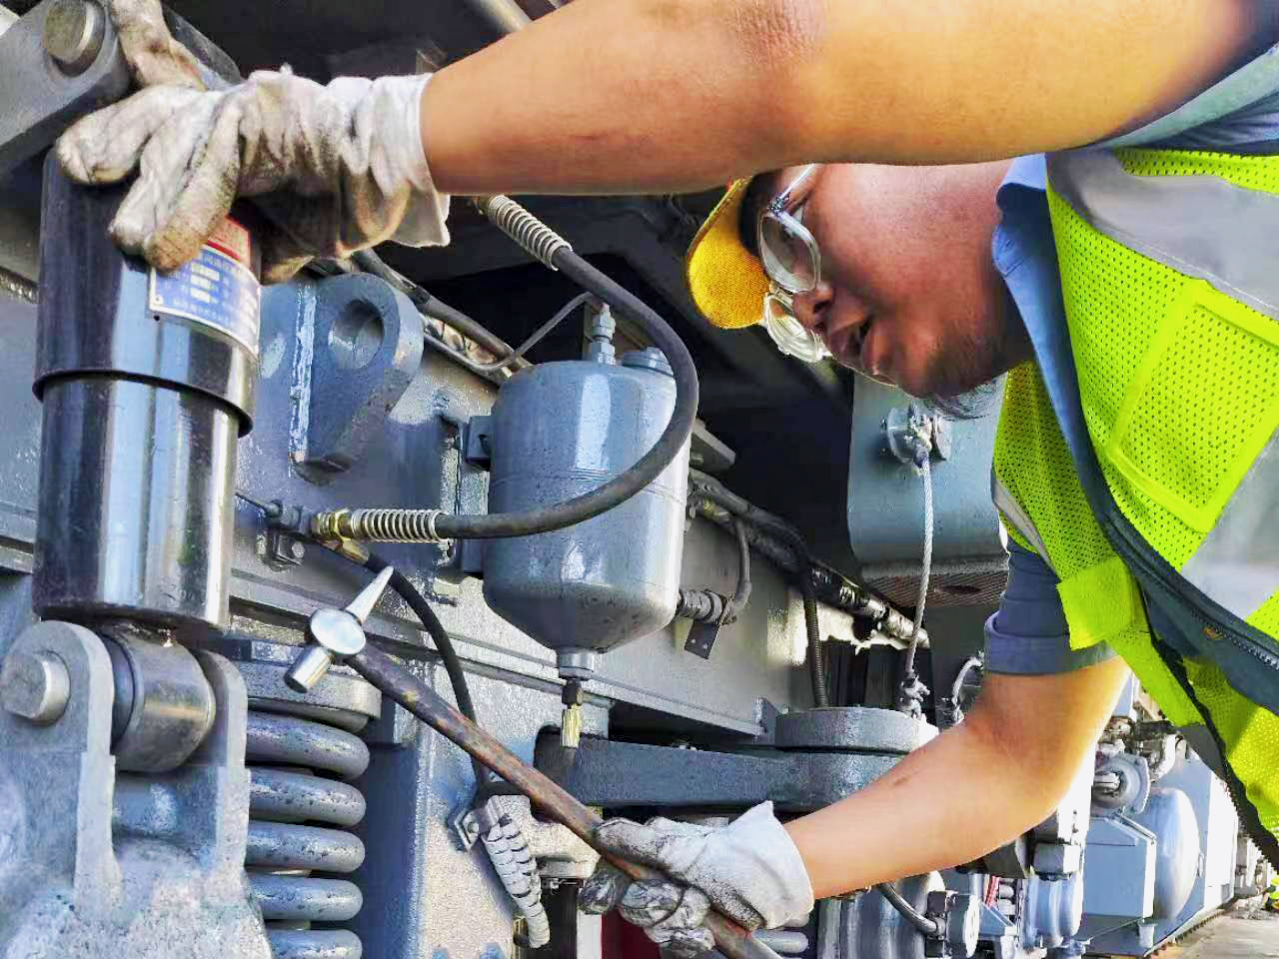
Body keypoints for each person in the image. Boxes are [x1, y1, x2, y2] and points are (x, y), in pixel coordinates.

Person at [56, 1, 1279, 954]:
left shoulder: (1225, 107)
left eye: (791, 231)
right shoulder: (1052, 476)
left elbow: (784, 48)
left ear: (930, 118)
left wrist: (359, 138)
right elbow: (1015, 759)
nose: (811, 313)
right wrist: (772, 867)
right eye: (789, 310)